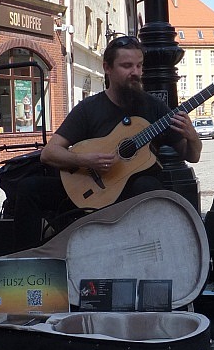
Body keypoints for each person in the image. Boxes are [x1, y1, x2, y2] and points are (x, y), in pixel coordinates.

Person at [12, 35, 201, 242]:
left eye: (139, 66)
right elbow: (49, 153)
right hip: (89, 191)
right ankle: (25, 261)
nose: (135, 73)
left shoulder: (153, 107)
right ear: (107, 68)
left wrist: (192, 137)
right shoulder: (89, 108)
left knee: (149, 187)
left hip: (130, 194)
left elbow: (191, 156)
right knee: (29, 188)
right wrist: (85, 160)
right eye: (127, 66)